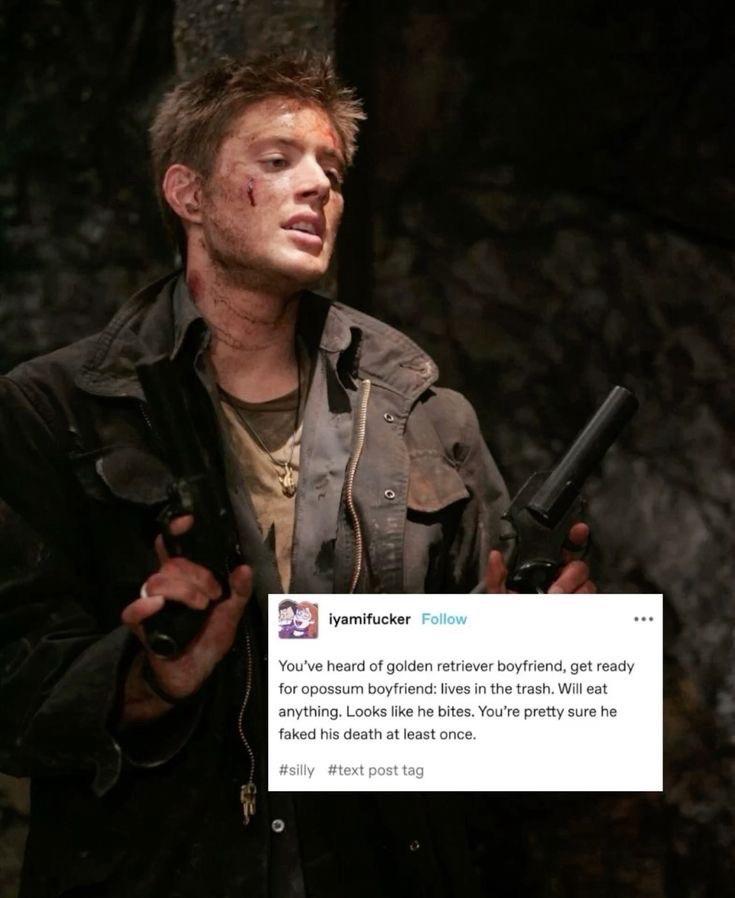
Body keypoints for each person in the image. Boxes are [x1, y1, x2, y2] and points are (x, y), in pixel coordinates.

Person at [0, 52, 593, 898]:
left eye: (331, 171)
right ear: (188, 194)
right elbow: (15, 686)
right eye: (277, 160)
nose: (316, 185)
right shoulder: (53, 410)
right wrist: (144, 679)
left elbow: (519, 775)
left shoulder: (429, 418)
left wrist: (536, 673)